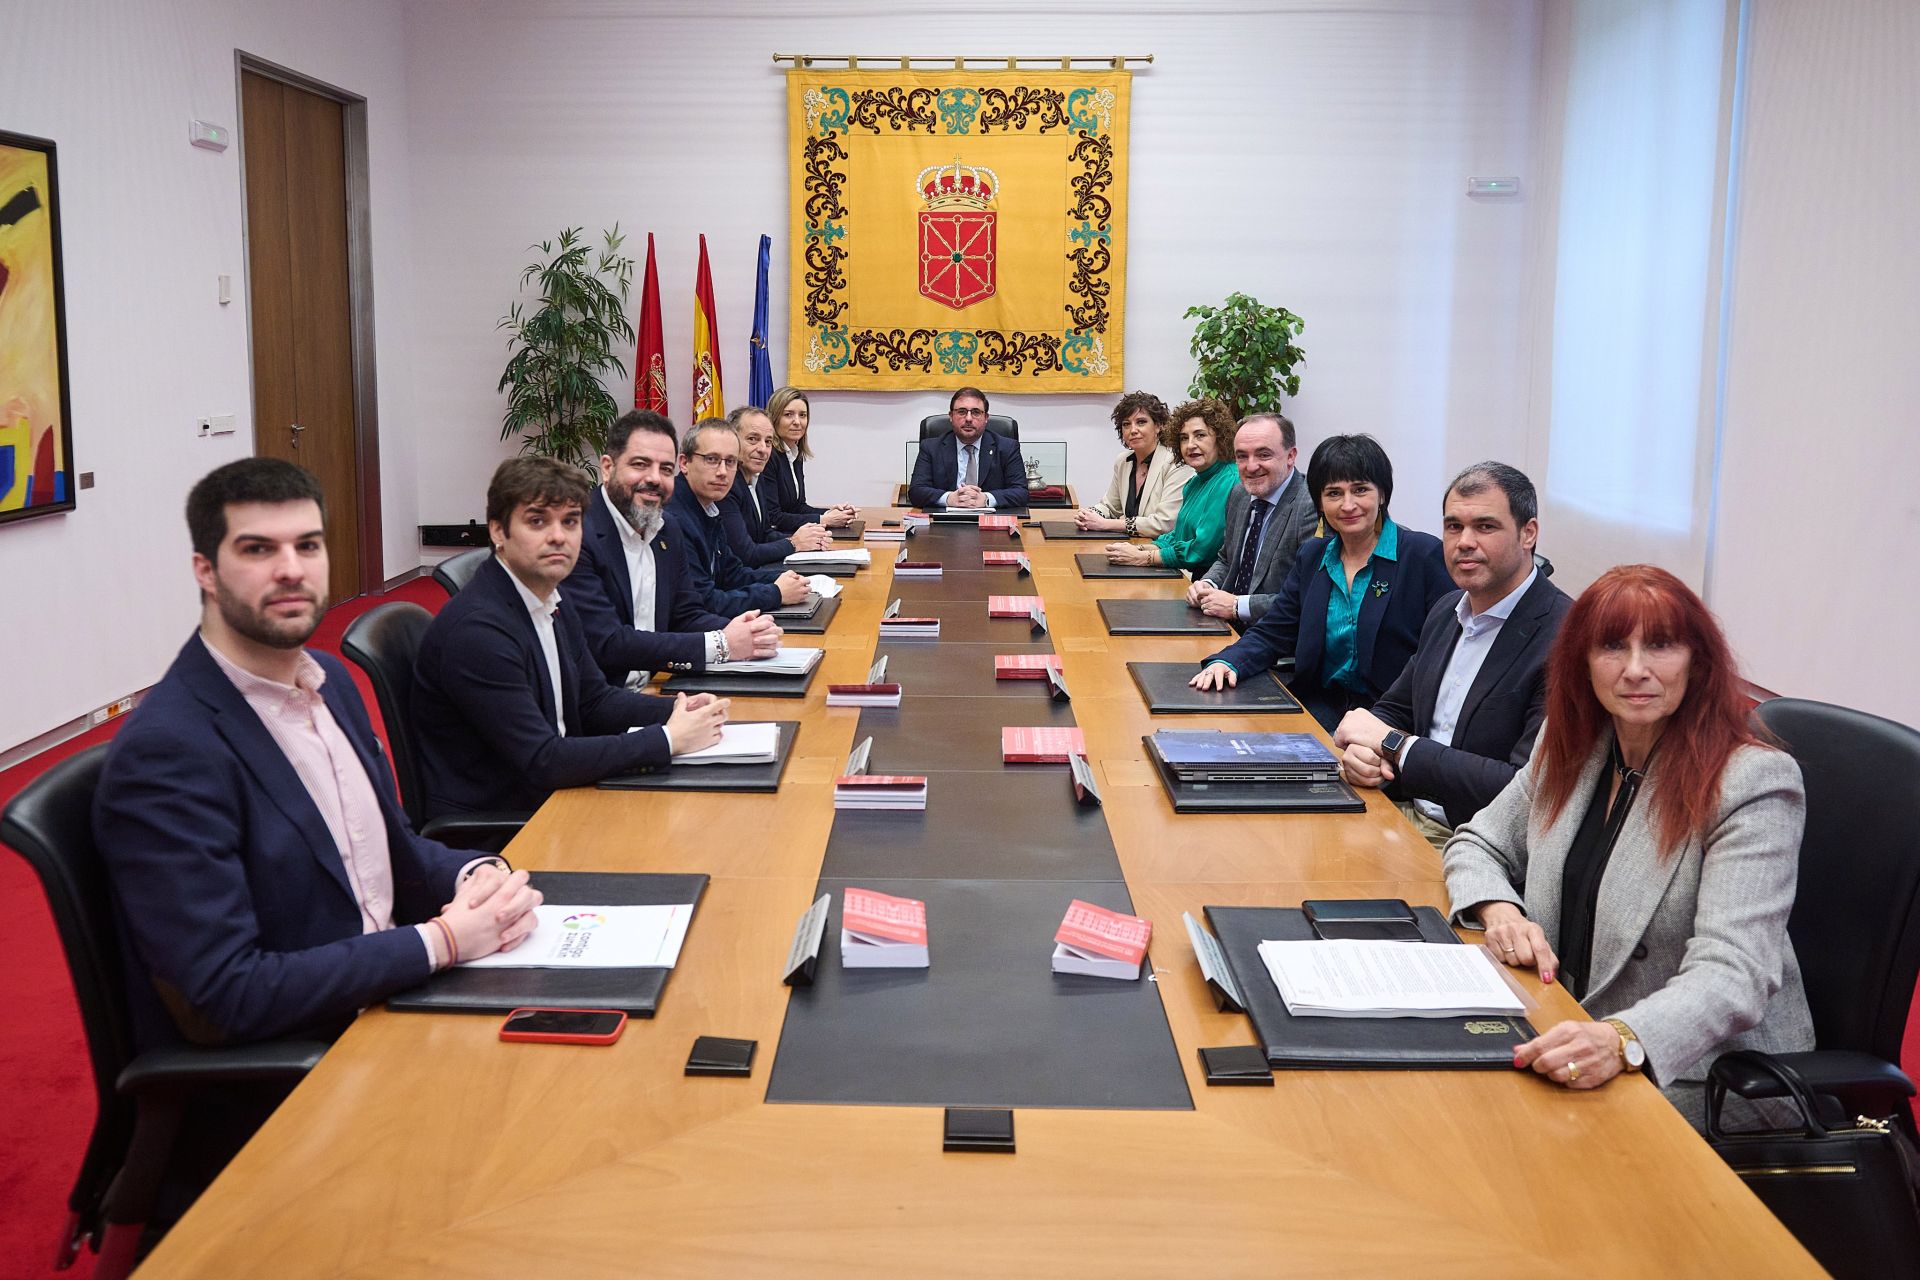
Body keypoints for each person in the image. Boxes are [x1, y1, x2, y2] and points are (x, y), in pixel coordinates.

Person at [94, 458, 544, 1053]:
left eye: (308, 546)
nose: (291, 570)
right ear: (205, 571)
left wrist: (477, 875)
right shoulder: (167, 754)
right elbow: (230, 992)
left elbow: (390, 852)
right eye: (258, 550)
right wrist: (443, 942)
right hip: (315, 1056)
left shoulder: (328, 681)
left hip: (398, 996)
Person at [1441, 565, 1811, 1129]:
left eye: (1660, 646)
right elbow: (1477, 840)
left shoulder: (1751, 783)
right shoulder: (1574, 745)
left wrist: (1622, 1040)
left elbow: (1733, 974)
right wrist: (1501, 911)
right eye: (1613, 646)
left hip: (1710, 1073)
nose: (1636, 670)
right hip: (1568, 1023)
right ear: (1582, 663)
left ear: (1697, 661)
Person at [413, 457, 730, 821]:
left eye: (570, 521)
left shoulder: (550, 597)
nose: (558, 536)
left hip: (560, 793)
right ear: (499, 531)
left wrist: (677, 709)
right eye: (537, 521)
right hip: (508, 826)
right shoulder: (478, 632)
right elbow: (543, 759)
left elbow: (592, 700)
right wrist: (668, 740)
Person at [1332, 463, 1572, 846]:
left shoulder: (1565, 637)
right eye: (1454, 526)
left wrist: (1395, 747)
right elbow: (1394, 710)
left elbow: (1522, 790)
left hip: (1482, 845)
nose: (1465, 542)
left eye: (1485, 526)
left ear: (1529, 533)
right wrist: (1365, 754)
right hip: (1402, 813)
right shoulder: (1448, 609)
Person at [1190, 433, 1451, 729]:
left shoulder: (1422, 556)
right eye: (1334, 493)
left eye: (1360, 489)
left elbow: (1445, 655)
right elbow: (1274, 631)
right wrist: (1228, 661)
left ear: (1382, 494)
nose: (1348, 505)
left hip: (1392, 717)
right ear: (1320, 502)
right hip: (1319, 707)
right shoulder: (1313, 556)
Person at [566, 410, 779, 688]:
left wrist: (742, 631)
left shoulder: (667, 528)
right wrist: (721, 643)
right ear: (607, 468)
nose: (655, 478)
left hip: (656, 686)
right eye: (641, 464)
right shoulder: (577, 534)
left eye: (665, 469)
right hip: (603, 704)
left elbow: (686, 614)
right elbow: (609, 642)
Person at [667, 418, 813, 615]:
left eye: (730, 462)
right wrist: (775, 593)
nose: (722, 472)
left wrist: (788, 579)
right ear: (684, 463)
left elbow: (731, 574)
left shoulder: (708, 507)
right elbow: (704, 601)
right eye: (711, 459)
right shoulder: (674, 519)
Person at [1187, 413, 1320, 624]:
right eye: (1241, 456)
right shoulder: (1239, 494)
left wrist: (1237, 606)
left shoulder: (1311, 506)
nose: (1250, 466)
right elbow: (1226, 559)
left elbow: (1307, 595)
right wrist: (1208, 584)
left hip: (1274, 636)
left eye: (1263, 455)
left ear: (1291, 456)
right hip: (1224, 624)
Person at [1103, 397, 1238, 576]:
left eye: (1200, 435)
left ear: (1220, 438)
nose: (1190, 445)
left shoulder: (1229, 480)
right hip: (1195, 578)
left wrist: (1144, 557)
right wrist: (1141, 548)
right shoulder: (1195, 482)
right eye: (1184, 438)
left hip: (1216, 586)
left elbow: (1201, 550)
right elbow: (1177, 535)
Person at [724, 405, 834, 566]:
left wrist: (810, 539)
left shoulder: (756, 476)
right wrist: (793, 543)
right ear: (731, 440)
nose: (763, 449)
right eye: (753, 439)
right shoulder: (726, 485)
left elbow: (764, 533)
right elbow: (745, 555)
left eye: (768, 441)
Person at [1073, 391, 1190, 536]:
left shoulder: (1176, 462)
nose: (1133, 430)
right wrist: (1088, 515)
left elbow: (1164, 524)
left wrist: (1104, 524)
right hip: (1129, 545)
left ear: (1159, 426)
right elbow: (1109, 506)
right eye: (1126, 424)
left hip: (1158, 550)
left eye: (1141, 422)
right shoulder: (1123, 461)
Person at [907, 386, 1029, 509]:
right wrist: (949, 498)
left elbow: (1021, 492)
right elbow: (916, 491)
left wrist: (986, 499)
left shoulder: (1007, 447)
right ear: (951, 416)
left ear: (986, 418)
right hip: (944, 520)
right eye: (962, 412)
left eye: (976, 412)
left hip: (992, 521)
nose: (969, 419)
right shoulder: (931, 448)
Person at [764, 386, 857, 529]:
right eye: (788, 414)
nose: (797, 421)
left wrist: (833, 513)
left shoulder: (795, 455)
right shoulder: (768, 457)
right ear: (774, 418)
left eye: (802, 415)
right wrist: (824, 519)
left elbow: (798, 507)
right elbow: (773, 517)